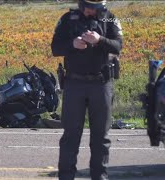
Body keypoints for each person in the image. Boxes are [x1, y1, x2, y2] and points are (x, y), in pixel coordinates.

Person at [51, 0, 123, 180]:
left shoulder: (110, 19)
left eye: (95, 8)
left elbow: (118, 46)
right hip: (74, 84)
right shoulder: (68, 19)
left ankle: (100, 177)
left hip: (101, 84)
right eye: (88, 7)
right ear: (81, 5)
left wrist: (100, 40)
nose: (90, 11)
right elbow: (55, 47)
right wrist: (72, 44)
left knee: (101, 138)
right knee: (70, 137)